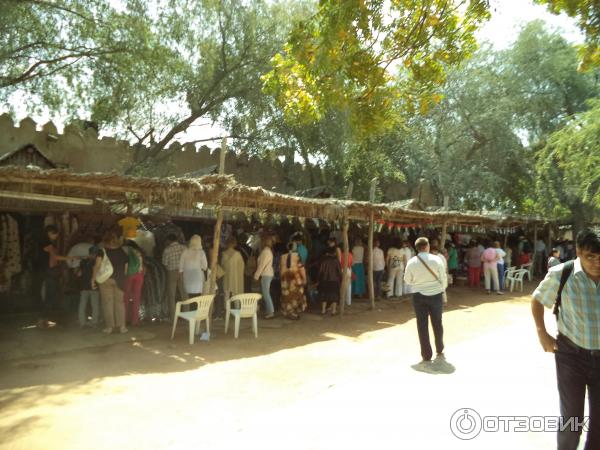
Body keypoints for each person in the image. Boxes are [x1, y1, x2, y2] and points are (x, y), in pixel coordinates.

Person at [531, 229, 600, 450]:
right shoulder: (562, 273)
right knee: (572, 419)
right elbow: (537, 299)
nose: (597, 263)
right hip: (572, 356)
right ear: (578, 251)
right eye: (591, 257)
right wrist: (543, 333)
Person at [404, 237, 448, 362]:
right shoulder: (437, 259)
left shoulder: (412, 262)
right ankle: (439, 348)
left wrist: (418, 282)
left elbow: (407, 280)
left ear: (416, 248)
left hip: (419, 296)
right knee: (437, 322)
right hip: (436, 295)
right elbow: (443, 277)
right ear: (427, 246)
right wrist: (442, 289)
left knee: (422, 324)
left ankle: (426, 354)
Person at [38, 225, 78, 328]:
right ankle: (42, 319)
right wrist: (69, 257)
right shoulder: (47, 244)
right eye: (55, 234)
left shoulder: (48, 243)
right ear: (50, 233)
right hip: (49, 272)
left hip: (50, 272)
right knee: (49, 296)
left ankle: (44, 319)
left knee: (51, 295)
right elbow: (55, 257)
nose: (56, 236)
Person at [93, 230, 129, 334]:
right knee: (120, 304)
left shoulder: (102, 251)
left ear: (105, 241)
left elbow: (97, 265)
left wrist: (93, 278)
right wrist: (123, 277)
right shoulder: (121, 251)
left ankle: (109, 328)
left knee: (107, 303)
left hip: (106, 280)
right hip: (120, 280)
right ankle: (122, 327)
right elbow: (126, 267)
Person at [162, 233, 187, 320]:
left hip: (171, 272)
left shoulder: (167, 250)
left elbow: (164, 263)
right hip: (182, 272)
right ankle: (187, 314)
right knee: (184, 293)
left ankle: (173, 317)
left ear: (169, 241)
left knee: (171, 295)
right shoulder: (184, 248)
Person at [279, 243, 308, 319]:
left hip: (285, 280)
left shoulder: (282, 256)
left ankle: (289, 312)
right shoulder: (297, 255)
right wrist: (304, 279)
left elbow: (280, 268)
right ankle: (294, 312)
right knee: (296, 295)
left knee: (287, 296)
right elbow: (301, 268)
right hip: (295, 279)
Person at [77, 245, 101, 328]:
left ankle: (82, 322)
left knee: (82, 304)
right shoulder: (98, 262)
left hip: (83, 286)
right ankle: (94, 323)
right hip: (94, 286)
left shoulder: (83, 262)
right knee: (95, 305)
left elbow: (79, 273)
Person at [123, 240, 145, 326]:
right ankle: (135, 320)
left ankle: (125, 319)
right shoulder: (138, 251)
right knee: (136, 297)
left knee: (126, 297)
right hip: (139, 275)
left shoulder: (124, 250)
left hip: (128, 275)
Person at [254, 235, 275, 319]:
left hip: (266, 274)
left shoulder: (266, 251)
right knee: (266, 293)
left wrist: (256, 276)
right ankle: (269, 311)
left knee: (266, 293)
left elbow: (262, 265)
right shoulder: (268, 251)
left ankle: (270, 312)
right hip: (268, 274)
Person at [318, 246, 342, 315]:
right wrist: (340, 279)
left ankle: (323, 311)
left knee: (324, 296)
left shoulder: (324, 261)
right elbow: (339, 272)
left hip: (324, 280)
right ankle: (333, 311)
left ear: (327, 253)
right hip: (334, 281)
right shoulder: (336, 261)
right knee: (334, 296)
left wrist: (319, 280)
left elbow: (320, 272)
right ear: (334, 253)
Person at [221, 237, 245, 301]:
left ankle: (226, 307)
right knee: (236, 292)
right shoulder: (238, 254)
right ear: (234, 243)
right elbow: (242, 266)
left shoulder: (223, 254)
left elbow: (222, 266)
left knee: (226, 292)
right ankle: (237, 306)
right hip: (236, 277)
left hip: (226, 276)